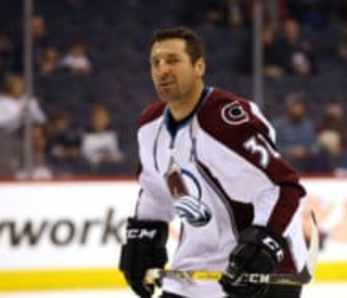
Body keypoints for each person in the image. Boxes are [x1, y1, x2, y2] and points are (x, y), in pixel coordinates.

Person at [119, 27, 308, 298]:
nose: (162, 70)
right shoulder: (150, 126)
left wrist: (263, 246)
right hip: (193, 271)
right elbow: (155, 190)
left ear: (199, 67)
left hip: (259, 274)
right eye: (156, 62)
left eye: (173, 60)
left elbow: (284, 188)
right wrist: (145, 235)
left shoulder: (225, 120)